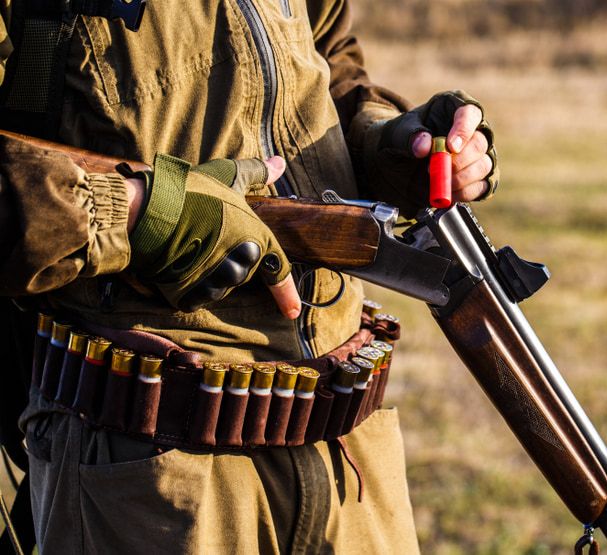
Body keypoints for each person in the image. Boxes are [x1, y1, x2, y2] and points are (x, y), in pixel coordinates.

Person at [0, 0, 498, 552]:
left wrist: (388, 142)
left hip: (349, 454)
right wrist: (138, 209)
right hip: (151, 472)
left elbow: (327, 66)